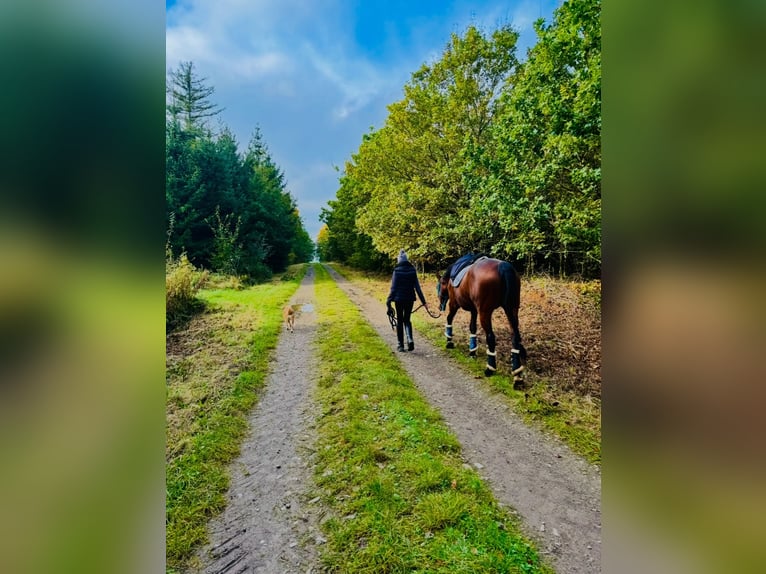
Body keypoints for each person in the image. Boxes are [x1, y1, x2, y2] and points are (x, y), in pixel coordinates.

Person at [386, 249, 427, 352]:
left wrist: (389, 300)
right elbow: (418, 288)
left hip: (399, 299)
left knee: (400, 321)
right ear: (406, 260)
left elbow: (393, 288)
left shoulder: (396, 271)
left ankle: (400, 345)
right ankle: (410, 339)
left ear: (399, 260)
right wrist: (424, 302)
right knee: (407, 320)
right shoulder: (412, 270)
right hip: (409, 299)